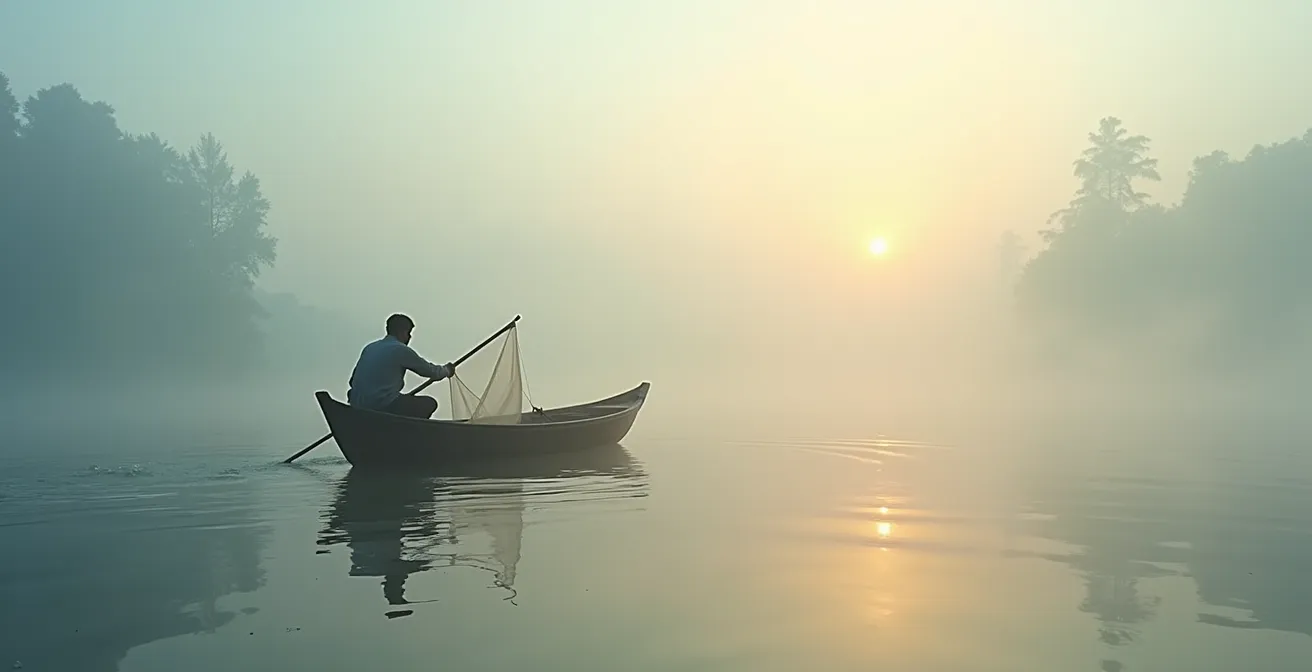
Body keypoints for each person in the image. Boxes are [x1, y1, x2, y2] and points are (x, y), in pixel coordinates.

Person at [347, 313, 455, 418]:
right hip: (382, 405)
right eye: (408, 333)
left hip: (357, 405)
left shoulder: (370, 348)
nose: (409, 337)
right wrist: (447, 370)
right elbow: (431, 371)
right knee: (429, 403)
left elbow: (352, 381)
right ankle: (404, 428)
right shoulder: (400, 349)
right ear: (401, 332)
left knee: (404, 400)